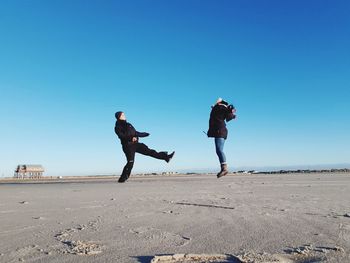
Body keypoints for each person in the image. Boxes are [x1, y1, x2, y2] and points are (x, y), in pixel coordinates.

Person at [114, 111, 175, 183]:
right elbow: (121, 136)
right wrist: (130, 138)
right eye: (122, 114)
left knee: (150, 152)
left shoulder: (129, 125)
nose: (124, 115)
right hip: (128, 146)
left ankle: (166, 157)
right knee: (130, 162)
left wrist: (144, 134)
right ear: (119, 116)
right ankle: (122, 179)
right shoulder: (118, 126)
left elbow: (136, 133)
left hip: (136, 144)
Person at [207, 98, 236, 178]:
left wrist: (230, 110)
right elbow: (228, 117)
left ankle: (224, 168)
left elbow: (225, 112)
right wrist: (233, 115)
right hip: (221, 131)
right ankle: (223, 168)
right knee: (219, 150)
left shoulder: (220, 107)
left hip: (220, 131)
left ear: (220, 103)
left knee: (219, 150)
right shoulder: (219, 108)